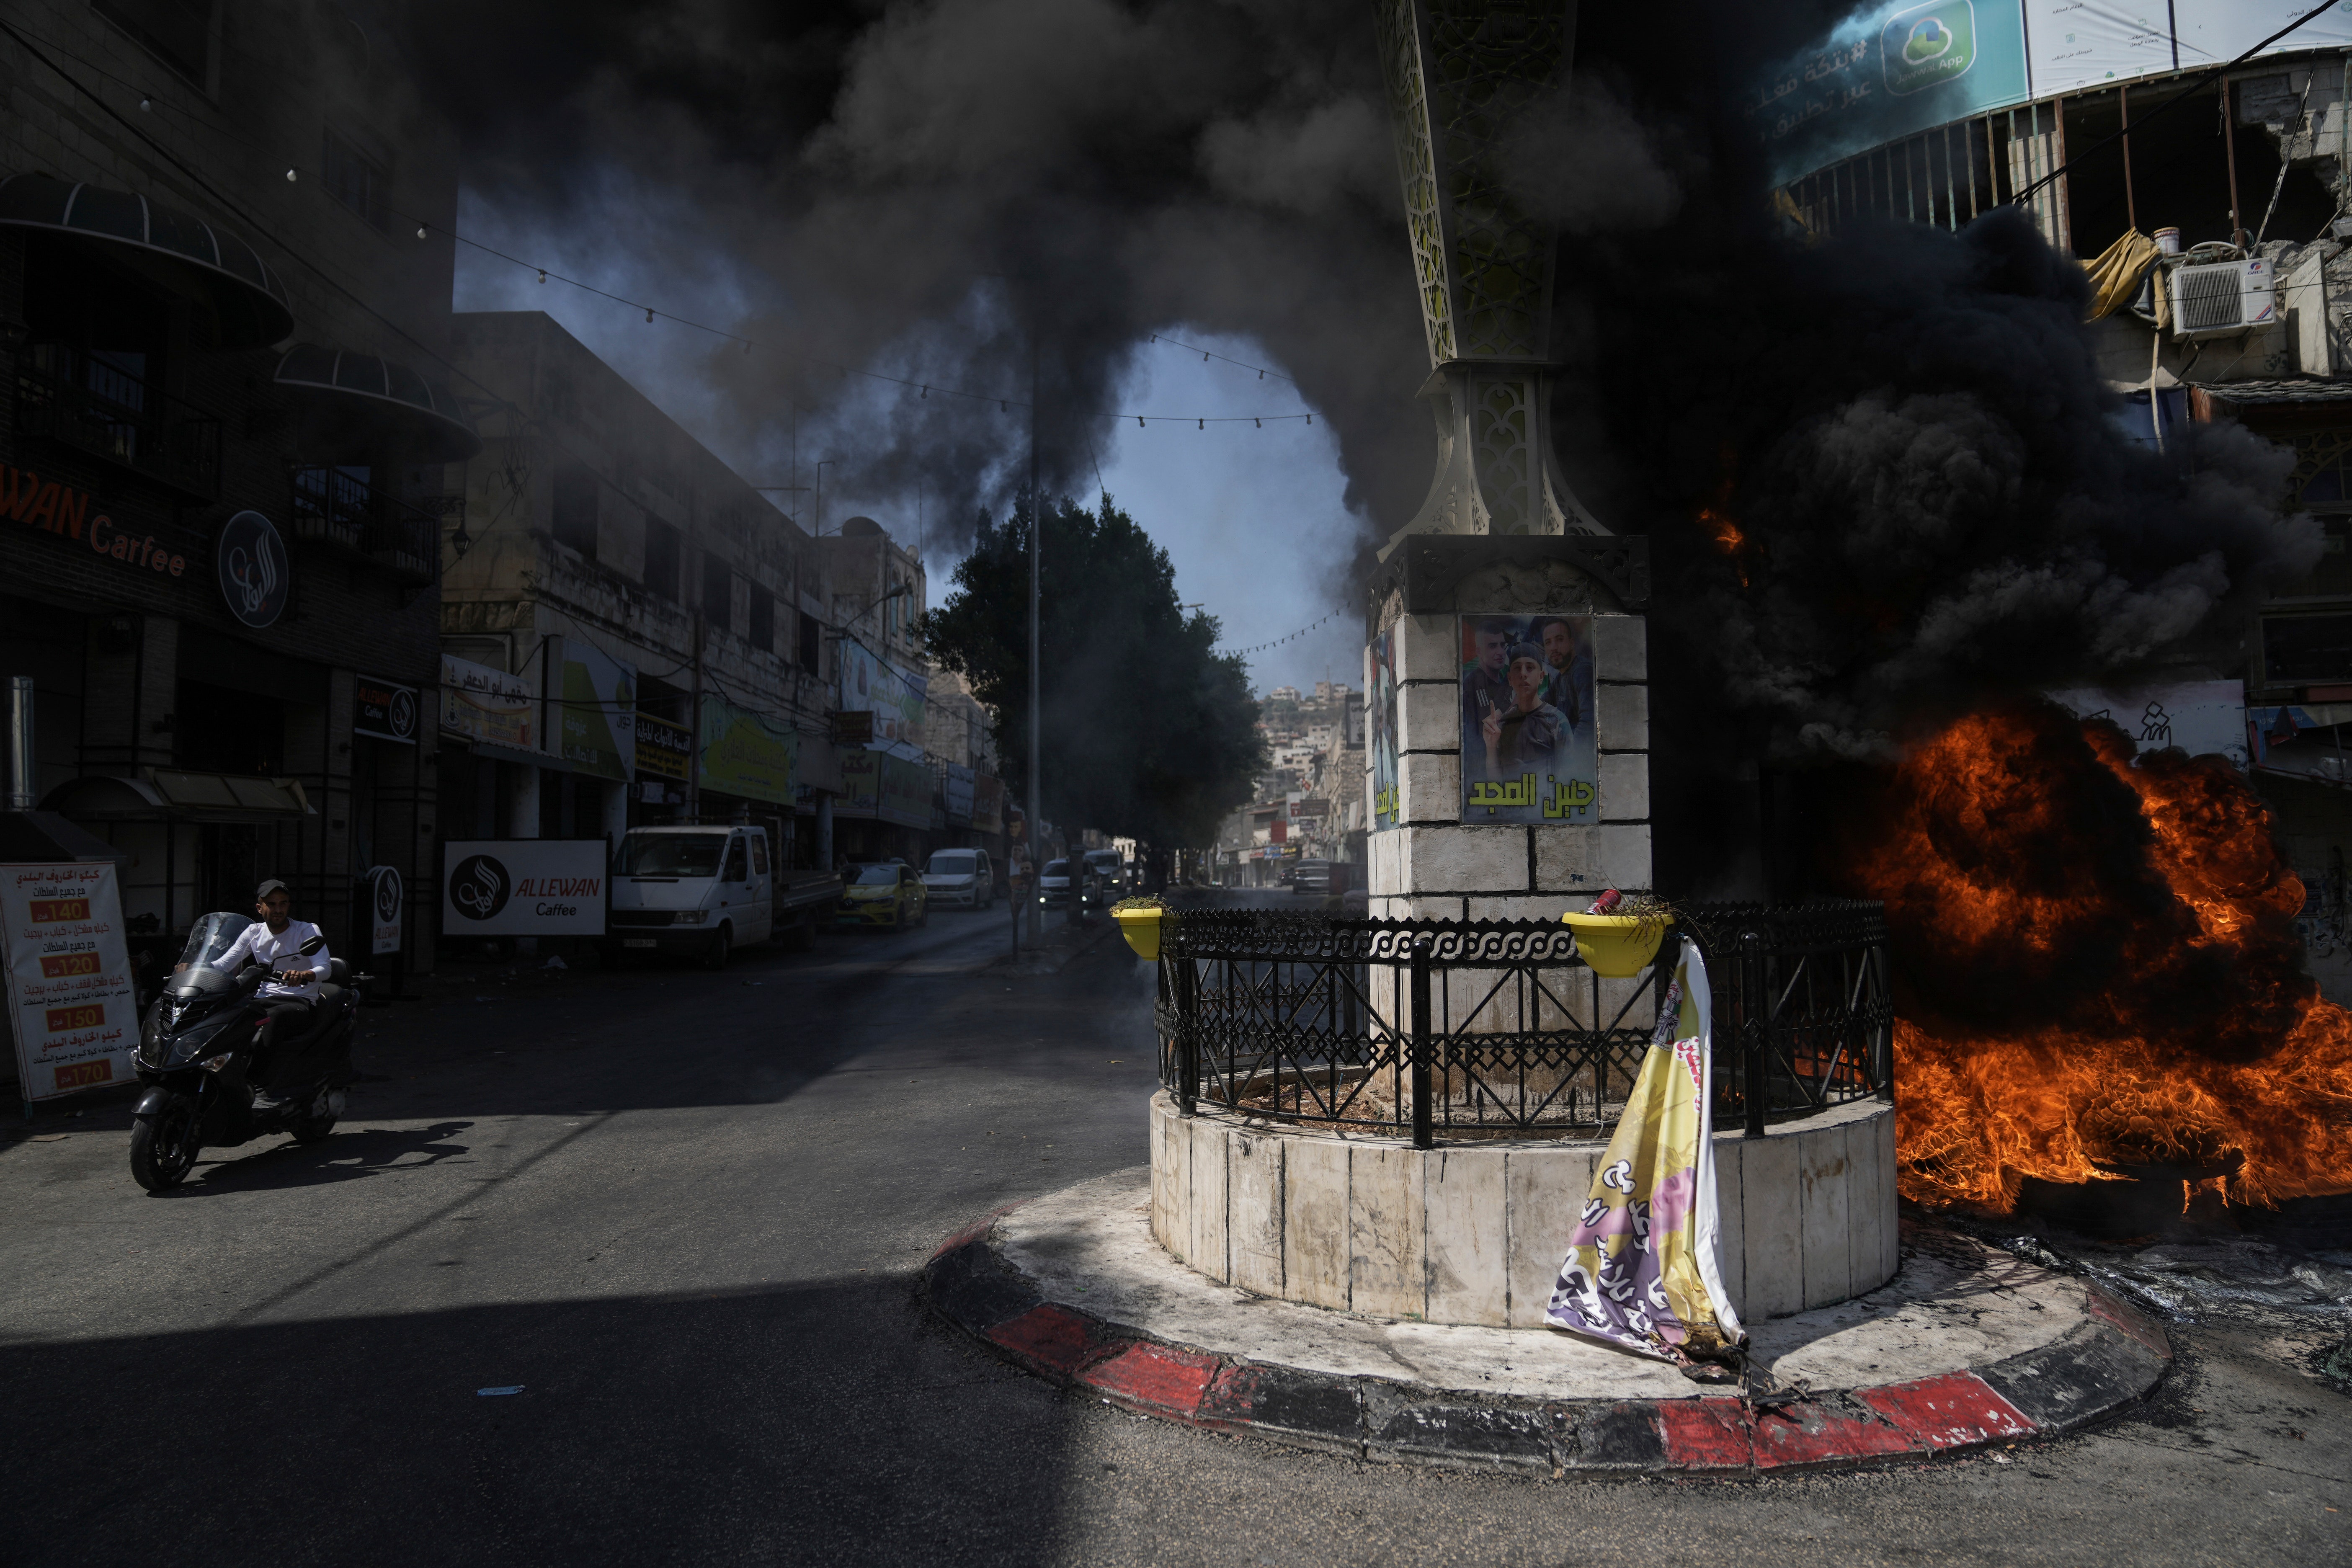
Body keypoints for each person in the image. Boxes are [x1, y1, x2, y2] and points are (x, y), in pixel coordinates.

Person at [211, 878, 329, 1108]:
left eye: (283, 904)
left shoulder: (306, 930)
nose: (278, 910)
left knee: (273, 1018)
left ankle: (258, 1087)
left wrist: (305, 974)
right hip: (262, 1000)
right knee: (229, 1019)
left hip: (301, 1001)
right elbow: (224, 965)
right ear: (260, 908)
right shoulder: (253, 933)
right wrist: (194, 968)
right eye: (272, 904)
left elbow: (325, 967)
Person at [1478, 643, 1567, 781]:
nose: (1523, 674)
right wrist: (1491, 747)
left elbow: (1570, 777)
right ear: (1510, 679)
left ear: (1541, 677)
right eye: (1517, 668)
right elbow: (1495, 782)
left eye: (1530, 668)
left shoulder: (1557, 722)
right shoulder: (1504, 724)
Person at [1460, 617, 1516, 757]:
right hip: (1481, 770)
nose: (1500, 652)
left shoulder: (1499, 683)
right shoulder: (1475, 683)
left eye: (1503, 645)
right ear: (1479, 651)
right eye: (1492, 646)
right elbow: (1490, 725)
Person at [1532, 615, 1593, 733]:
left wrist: (1566, 752)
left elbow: (1588, 725)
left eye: (1559, 640)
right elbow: (1539, 706)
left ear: (1571, 643)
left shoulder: (1582, 673)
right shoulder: (1562, 677)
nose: (1554, 648)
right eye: (1548, 643)